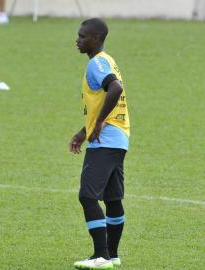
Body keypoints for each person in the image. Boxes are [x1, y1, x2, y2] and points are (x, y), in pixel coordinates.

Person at [69, 18, 130, 270]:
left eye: (83, 36)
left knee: (87, 195)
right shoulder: (107, 60)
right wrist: (85, 131)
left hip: (106, 140)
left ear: (95, 38)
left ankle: (101, 255)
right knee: (113, 198)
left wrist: (98, 124)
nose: (78, 40)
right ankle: (112, 255)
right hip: (118, 138)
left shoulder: (96, 64)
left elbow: (115, 89)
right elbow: (108, 95)